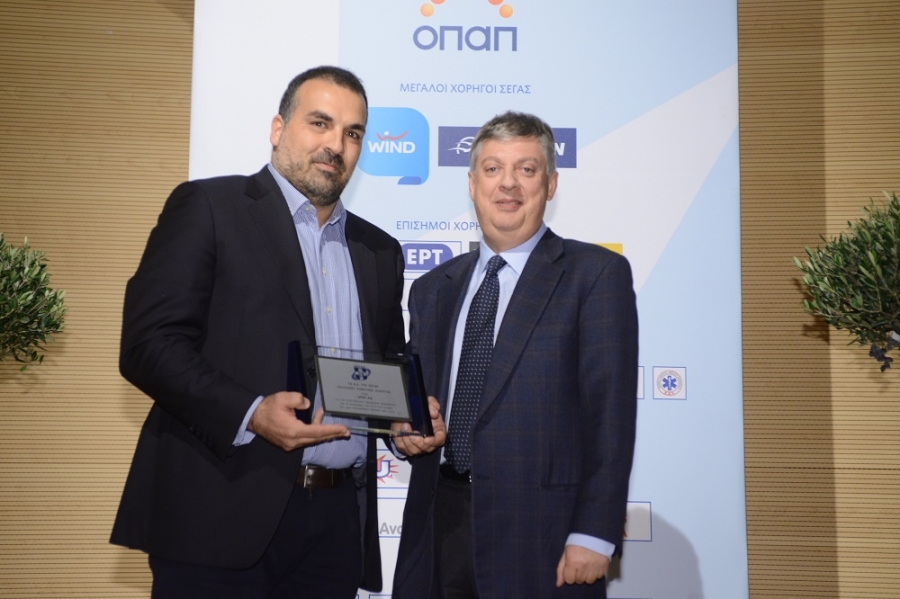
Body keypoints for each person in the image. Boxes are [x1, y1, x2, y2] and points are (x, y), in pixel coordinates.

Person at [110, 66, 444, 598]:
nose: (335, 144)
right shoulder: (209, 208)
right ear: (278, 128)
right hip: (218, 511)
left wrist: (402, 421)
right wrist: (251, 413)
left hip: (335, 524)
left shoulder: (379, 250)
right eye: (320, 123)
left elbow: (382, 366)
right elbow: (149, 345)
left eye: (352, 133)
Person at [391, 111, 639, 598]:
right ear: (472, 184)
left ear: (551, 184)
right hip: (437, 526)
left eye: (526, 169)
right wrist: (405, 430)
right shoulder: (433, 289)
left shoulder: (594, 275)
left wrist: (594, 532)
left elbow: (610, 416)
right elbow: (419, 403)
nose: (507, 184)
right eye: (492, 169)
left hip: (543, 536)